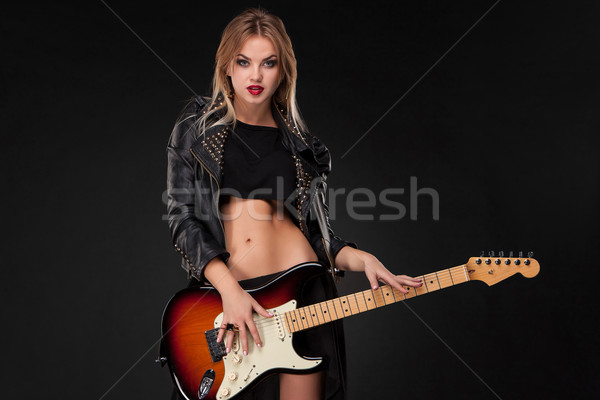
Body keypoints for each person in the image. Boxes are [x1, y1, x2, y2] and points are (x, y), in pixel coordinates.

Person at [165, 7, 423, 400]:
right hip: (230, 297)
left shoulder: (304, 147)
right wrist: (229, 290)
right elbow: (182, 218)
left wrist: (361, 258)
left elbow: (321, 237)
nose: (256, 75)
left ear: (283, 70)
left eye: (269, 63)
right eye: (244, 61)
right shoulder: (197, 126)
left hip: (304, 296)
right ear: (227, 67)